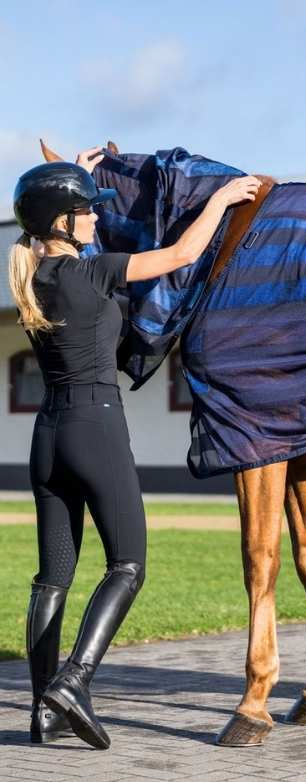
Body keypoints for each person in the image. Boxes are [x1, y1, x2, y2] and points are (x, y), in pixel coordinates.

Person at [9, 147, 261, 749]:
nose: (97, 218)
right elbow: (180, 256)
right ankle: (74, 681)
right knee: (127, 564)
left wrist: (75, 172)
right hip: (95, 430)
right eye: (86, 211)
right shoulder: (90, 274)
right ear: (63, 221)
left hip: (47, 439)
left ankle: (43, 712)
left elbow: (80, 254)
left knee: (52, 580)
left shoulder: (34, 279)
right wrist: (223, 199)